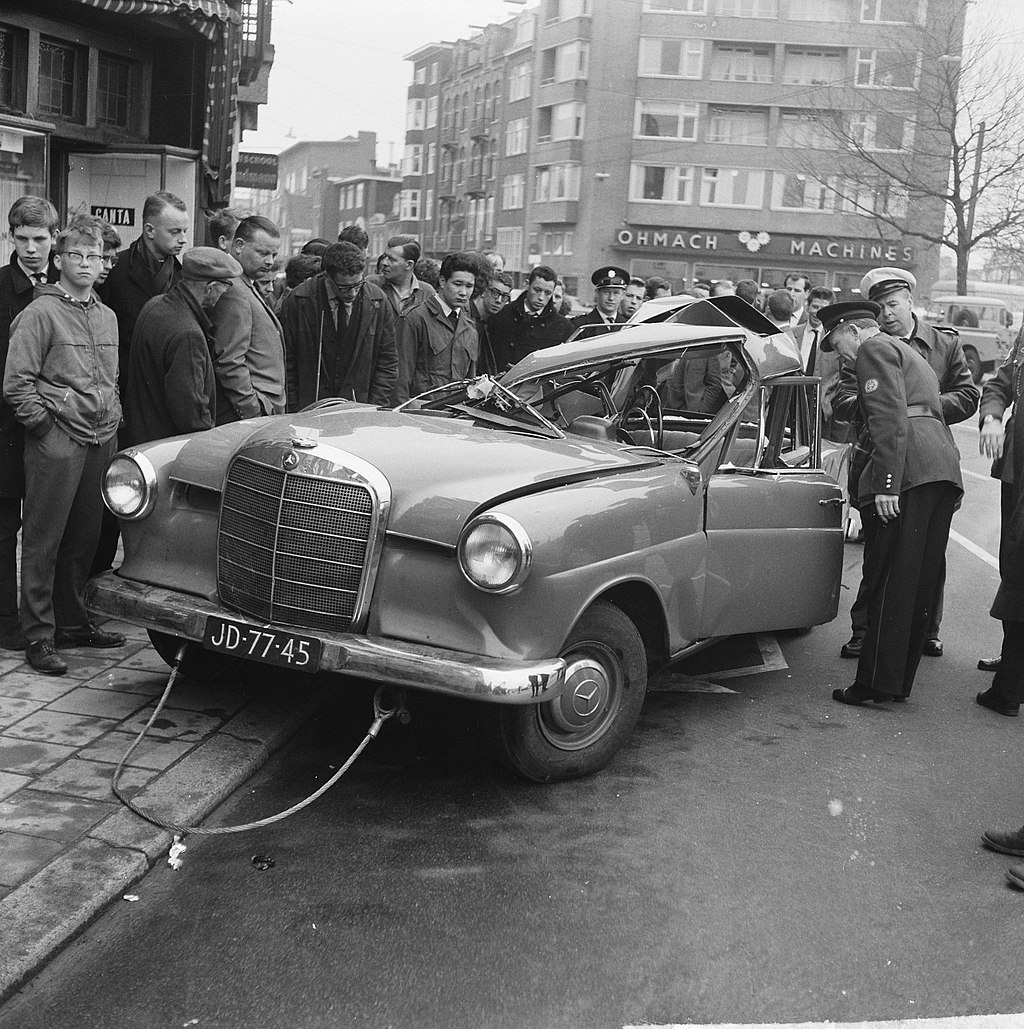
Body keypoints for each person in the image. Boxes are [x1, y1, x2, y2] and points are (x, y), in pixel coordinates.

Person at [818, 301, 963, 706]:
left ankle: (875, 685)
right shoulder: (907, 350)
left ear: (851, 330)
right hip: (937, 467)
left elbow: (886, 417)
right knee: (917, 584)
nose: (841, 355)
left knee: (892, 579)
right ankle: (896, 684)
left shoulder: (873, 349)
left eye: (837, 343)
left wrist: (885, 482)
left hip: (908, 470)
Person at [835, 268, 979, 660]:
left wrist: (920, 412)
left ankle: (925, 628)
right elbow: (842, 399)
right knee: (879, 550)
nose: (886, 314)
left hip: (926, 459)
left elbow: (968, 396)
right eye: (879, 307)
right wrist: (884, 409)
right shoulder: (866, 345)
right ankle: (865, 630)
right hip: (877, 453)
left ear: (910, 301)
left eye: (893, 304)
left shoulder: (943, 344)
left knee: (927, 548)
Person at [4, 222, 125, 675]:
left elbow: (111, 378)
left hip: (100, 438)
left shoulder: (106, 315)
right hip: (58, 441)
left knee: (83, 539)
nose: (89, 265)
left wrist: (113, 416)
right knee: (43, 540)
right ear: (59, 260)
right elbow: (17, 384)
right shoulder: (40, 314)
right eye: (79, 256)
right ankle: (38, 634)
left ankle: (72, 623)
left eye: (96, 258)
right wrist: (45, 429)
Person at [0, 196, 59, 650]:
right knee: (4, 528)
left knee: (48, 527)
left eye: (40, 239)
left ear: (54, 239)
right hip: (6, 429)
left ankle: (50, 617)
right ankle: (5, 621)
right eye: (23, 239)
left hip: (52, 429)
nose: (32, 248)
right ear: (11, 238)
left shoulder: (63, 289)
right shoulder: (1, 288)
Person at [123, 247, 242, 446]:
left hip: (141, 441)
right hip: (168, 450)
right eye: (226, 286)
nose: (225, 292)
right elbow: (191, 413)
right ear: (210, 287)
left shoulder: (155, 305)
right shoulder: (188, 335)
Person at [280, 241, 397, 411]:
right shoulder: (298, 301)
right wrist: (294, 409)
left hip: (359, 412)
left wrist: (375, 407)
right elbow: (287, 362)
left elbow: (387, 361)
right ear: (327, 277)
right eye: (344, 287)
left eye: (358, 285)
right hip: (309, 411)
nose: (353, 293)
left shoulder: (378, 301)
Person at [974, 327, 1024, 714]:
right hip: (1017, 467)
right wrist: (991, 415)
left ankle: (1009, 685)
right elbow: (1002, 380)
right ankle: (1013, 662)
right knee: (1013, 563)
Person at [209, 215, 287, 423]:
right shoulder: (234, 290)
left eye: (274, 254)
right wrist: (252, 410)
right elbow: (229, 360)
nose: (270, 261)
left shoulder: (243, 285)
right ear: (239, 246)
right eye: (263, 253)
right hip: (252, 413)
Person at [101, 190, 189, 370]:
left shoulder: (184, 277)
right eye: (175, 232)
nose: (183, 239)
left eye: (184, 231)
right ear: (149, 230)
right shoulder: (114, 270)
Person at [405, 251, 479, 397]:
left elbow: (470, 382)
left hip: (455, 414)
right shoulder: (417, 318)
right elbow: (401, 375)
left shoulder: (470, 328)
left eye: (469, 286)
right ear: (442, 281)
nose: (463, 292)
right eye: (457, 284)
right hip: (419, 411)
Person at [375, 235, 435, 404]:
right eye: (385, 256)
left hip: (412, 383)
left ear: (409, 265)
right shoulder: (372, 286)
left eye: (392, 259)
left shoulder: (427, 293)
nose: (384, 263)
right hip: (377, 377)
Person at [487, 264, 574, 372]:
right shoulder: (501, 315)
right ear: (527, 285)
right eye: (537, 290)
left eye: (547, 293)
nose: (541, 298)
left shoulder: (563, 327)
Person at [471, 270, 513, 376]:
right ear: (484, 291)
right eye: (495, 293)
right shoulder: (467, 316)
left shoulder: (486, 321)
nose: (499, 300)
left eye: (504, 296)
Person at [572, 266, 631, 331]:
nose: (611, 298)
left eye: (616, 293)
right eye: (606, 292)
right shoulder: (580, 325)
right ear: (597, 293)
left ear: (623, 295)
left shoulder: (628, 326)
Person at [793, 286, 834, 374]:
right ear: (807, 306)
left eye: (823, 309)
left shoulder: (833, 339)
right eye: (815, 307)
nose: (818, 313)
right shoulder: (792, 334)